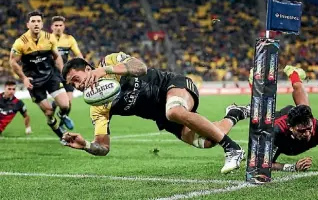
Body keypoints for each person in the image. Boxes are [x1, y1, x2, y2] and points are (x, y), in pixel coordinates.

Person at [61, 52, 250, 174]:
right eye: (73, 85)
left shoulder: (109, 62)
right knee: (207, 141)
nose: (78, 86)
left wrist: (105, 70)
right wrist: (86, 145)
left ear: (87, 69)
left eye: (77, 79)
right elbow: (103, 147)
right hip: (162, 116)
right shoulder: (98, 107)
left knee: (174, 110)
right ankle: (234, 113)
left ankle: (233, 149)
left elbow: (140, 68)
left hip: (171, 85)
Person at [248, 66, 318, 177]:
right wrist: (293, 167)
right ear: (291, 128)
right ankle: (254, 79)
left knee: (304, 106)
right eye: (302, 131)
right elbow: (262, 165)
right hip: (276, 119)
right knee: (261, 111)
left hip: (299, 119)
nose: (308, 134)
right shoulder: (275, 132)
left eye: (309, 129)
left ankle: (293, 73)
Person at [9, 10, 74, 142]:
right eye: (33, 21)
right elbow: (13, 62)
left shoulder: (49, 38)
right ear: (28, 24)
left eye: (38, 21)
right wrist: (24, 78)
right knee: (49, 112)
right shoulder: (20, 42)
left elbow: (57, 57)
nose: (36, 24)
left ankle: (62, 115)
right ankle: (61, 135)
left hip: (50, 76)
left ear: (42, 24)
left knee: (66, 105)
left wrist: (63, 72)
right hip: (34, 82)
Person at [51, 15, 83, 130]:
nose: (58, 27)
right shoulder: (47, 39)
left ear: (63, 27)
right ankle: (56, 105)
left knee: (69, 103)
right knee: (64, 102)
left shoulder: (69, 39)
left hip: (66, 74)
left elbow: (78, 54)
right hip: (53, 74)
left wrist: (82, 67)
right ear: (52, 27)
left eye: (60, 25)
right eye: (56, 25)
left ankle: (60, 121)